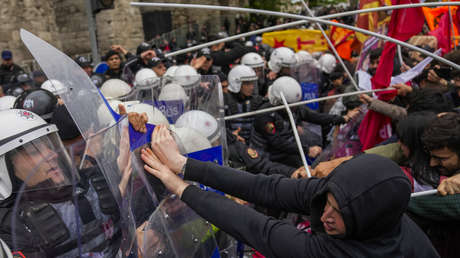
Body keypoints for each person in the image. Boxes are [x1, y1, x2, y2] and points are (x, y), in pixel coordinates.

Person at [140, 125, 439, 257]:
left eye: (339, 213)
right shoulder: (349, 198)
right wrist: (185, 165)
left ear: (367, 220)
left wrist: (181, 188)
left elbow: (257, 228)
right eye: (327, 203)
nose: (325, 216)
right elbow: (267, 187)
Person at [0, 109, 124, 257]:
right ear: (4, 169)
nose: (52, 154)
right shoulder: (10, 227)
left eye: (49, 145)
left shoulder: (87, 186)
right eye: (34, 151)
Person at [224, 64, 265, 143]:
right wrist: (230, 136)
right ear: (235, 83)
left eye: (252, 83)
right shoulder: (224, 101)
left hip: (252, 144)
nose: (252, 87)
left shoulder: (258, 101)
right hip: (231, 144)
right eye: (247, 84)